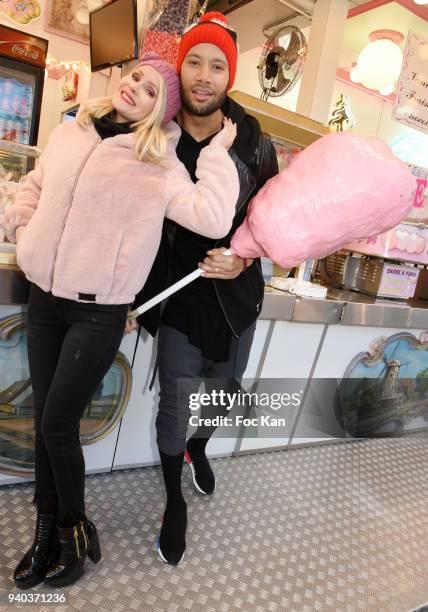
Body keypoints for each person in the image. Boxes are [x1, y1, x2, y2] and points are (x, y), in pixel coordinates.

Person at [2, 52, 239, 589]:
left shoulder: (158, 163)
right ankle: (44, 534)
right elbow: (34, 185)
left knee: (58, 425)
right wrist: (21, 226)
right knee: (45, 422)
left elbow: (212, 215)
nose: (136, 87)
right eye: (135, 76)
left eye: (152, 89)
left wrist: (219, 152)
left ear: (162, 113)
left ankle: (73, 537)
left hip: (98, 313)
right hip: (44, 298)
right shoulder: (73, 131)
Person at [133, 12, 279, 566]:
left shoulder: (253, 142)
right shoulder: (157, 132)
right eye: (194, 61)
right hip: (175, 296)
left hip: (235, 297)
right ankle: (175, 500)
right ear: (181, 66)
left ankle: (199, 448)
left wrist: (242, 260)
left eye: (217, 66)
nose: (203, 75)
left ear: (229, 77)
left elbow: (275, 217)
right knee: (175, 402)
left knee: (221, 392)